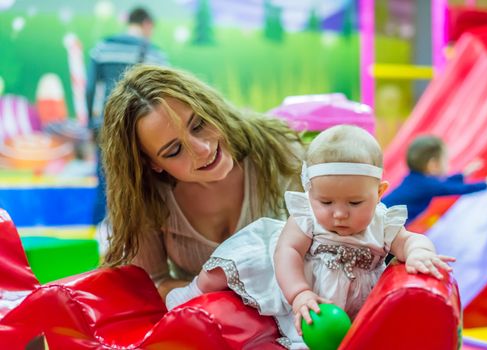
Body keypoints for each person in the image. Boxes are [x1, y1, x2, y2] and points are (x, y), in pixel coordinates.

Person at [164, 125, 455, 349]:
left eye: (354, 203)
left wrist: (419, 252)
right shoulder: (307, 217)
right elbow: (287, 251)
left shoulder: (382, 221)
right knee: (224, 272)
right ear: (311, 194)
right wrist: (299, 292)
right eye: (326, 202)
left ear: (379, 193)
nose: (339, 214)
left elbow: (409, 240)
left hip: (342, 303)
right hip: (290, 275)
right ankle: (190, 293)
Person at [100, 64, 304, 300]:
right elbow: (151, 283)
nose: (203, 149)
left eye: (199, 124)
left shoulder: (276, 148)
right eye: (175, 150)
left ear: (209, 107)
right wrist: (218, 297)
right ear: (153, 164)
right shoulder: (146, 197)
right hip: (205, 324)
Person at [86, 7, 170, 227]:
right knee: (139, 183)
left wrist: (90, 124)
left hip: (107, 124)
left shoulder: (102, 47)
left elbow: (90, 88)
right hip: (139, 129)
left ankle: (98, 239)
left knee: (104, 183)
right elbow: (163, 96)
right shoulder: (154, 53)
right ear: (147, 25)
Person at [382, 135, 487, 224]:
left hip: (382, 215)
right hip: (383, 221)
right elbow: (456, 189)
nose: (448, 164)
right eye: (446, 160)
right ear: (433, 165)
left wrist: (463, 174)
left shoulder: (416, 179)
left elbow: (444, 183)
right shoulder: (427, 185)